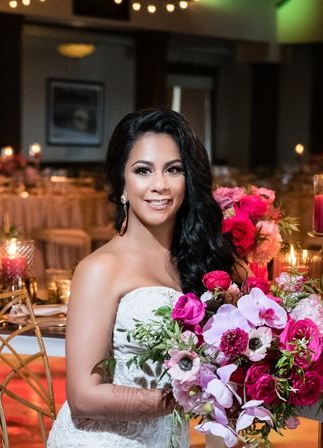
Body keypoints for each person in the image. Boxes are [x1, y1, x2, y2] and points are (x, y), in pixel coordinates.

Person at [47, 109, 235, 447]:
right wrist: (185, 398)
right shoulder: (100, 268)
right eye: (143, 171)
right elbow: (83, 397)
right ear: (122, 182)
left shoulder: (194, 265)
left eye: (173, 170)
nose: (159, 185)